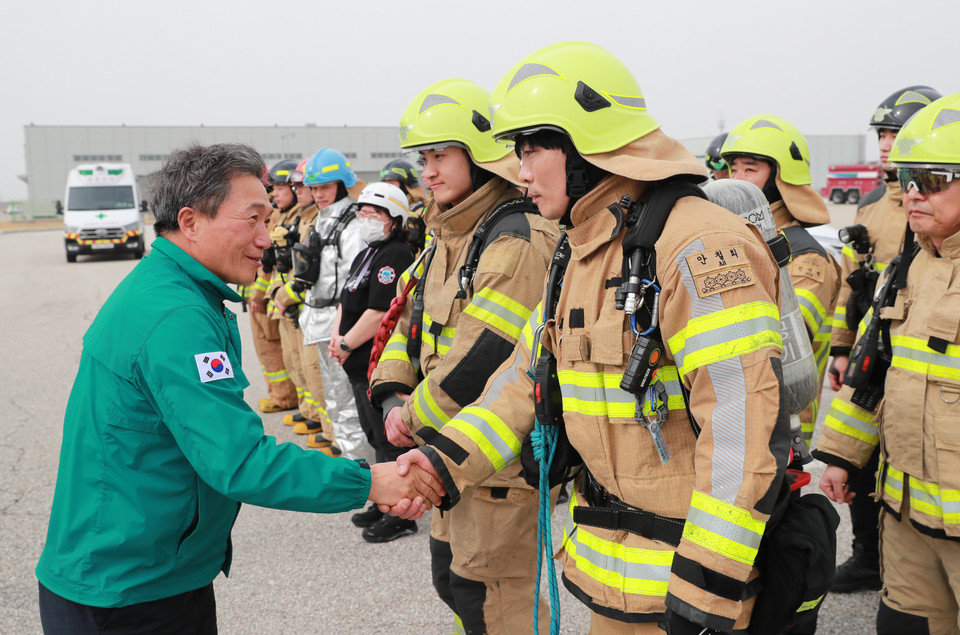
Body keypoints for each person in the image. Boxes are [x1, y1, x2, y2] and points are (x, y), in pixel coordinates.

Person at [391, 42, 789, 634]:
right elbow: (520, 385)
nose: (520, 171)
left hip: (687, 593)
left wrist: (706, 587)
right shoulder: (578, 252)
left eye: (532, 148)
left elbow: (742, 429)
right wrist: (440, 463)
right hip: (614, 580)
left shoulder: (698, 246)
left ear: (586, 145)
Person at [35, 143, 443, 634]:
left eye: (267, 219)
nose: (265, 237)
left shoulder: (170, 289)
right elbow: (240, 461)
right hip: (127, 592)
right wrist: (370, 481)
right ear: (190, 222)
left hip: (144, 570)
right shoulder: (176, 316)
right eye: (251, 219)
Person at [369, 78, 560, 632]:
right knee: (453, 583)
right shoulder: (448, 234)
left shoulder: (514, 239)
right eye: (423, 159)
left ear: (480, 156)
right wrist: (392, 392)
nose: (428, 172)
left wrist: (410, 417)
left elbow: (485, 357)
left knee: (494, 599)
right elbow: (407, 322)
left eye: (440, 156)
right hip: (445, 447)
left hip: (499, 466)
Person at [816, 92, 960, 635]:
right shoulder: (905, 269)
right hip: (906, 520)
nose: (913, 192)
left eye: (933, 178)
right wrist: (843, 457)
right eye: (907, 178)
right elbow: (871, 371)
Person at [722, 115, 841, 446]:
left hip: (782, 429)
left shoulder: (807, 258)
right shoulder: (742, 242)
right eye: (733, 169)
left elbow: (786, 341)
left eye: (750, 169)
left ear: (781, 179)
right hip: (738, 415)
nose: (736, 179)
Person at [329, 182, 417, 542]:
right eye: (362, 212)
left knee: (388, 439)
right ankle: (384, 500)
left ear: (395, 220)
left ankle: (401, 512)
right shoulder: (367, 253)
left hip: (375, 364)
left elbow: (381, 311)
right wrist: (337, 337)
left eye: (375, 213)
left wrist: (347, 342)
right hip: (355, 362)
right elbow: (346, 300)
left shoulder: (395, 254)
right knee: (372, 434)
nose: (366, 219)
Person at [297, 148, 368, 459]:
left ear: (341, 185)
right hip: (320, 321)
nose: (318, 195)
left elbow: (357, 284)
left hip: (341, 326)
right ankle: (349, 460)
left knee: (347, 403)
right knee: (335, 401)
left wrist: (345, 332)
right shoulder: (323, 220)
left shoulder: (353, 225)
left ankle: (360, 469)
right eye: (313, 188)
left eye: (324, 187)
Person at [271, 159, 331, 438]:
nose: (300, 191)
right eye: (297, 186)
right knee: (297, 362)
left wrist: (284, 295)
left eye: (303, 186)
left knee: (316, 370)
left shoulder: (320, 219)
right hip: (293, 301)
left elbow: (312, 271)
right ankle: (312, 414)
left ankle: (328, 427)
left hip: (307, 303)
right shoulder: (303, 217)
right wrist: (277, 293)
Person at [244, 159, 300, 414]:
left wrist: (258, 295)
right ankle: (281, 395)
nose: (274, 193)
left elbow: (270, 263)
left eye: (279, 188)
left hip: (269, 296)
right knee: (269, 349)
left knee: (274, 347)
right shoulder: (279, 213)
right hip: (263, 294)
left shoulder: (280, 216)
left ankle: (285, 397)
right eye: (272, 188)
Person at [380, 158, 430, 255]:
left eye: (391, 183)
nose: (387, 187)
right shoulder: (389, 209)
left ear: (405, 185)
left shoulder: (422, 210)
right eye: (385, 183)